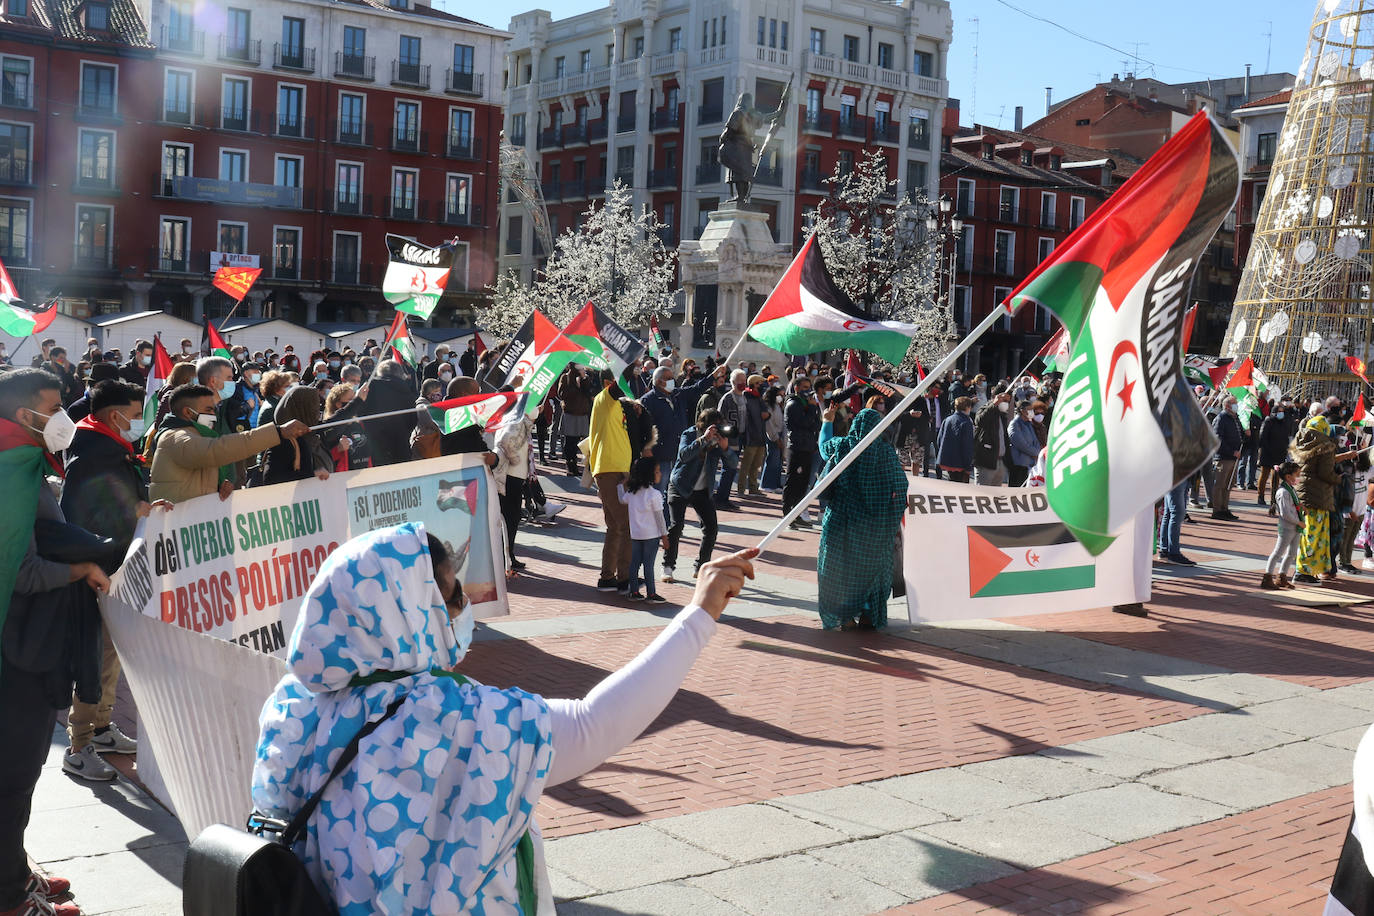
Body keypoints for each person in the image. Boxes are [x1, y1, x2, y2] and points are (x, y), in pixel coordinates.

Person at [251, 523, 755, 914]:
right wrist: (699, 613)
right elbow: (591, 726)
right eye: (448, 596)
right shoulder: (445, 719)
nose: (461, 606)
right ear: (403, 610)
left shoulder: (292, 703)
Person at [0, 368, 112, 916]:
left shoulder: (23, 462)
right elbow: (19, 571)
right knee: (13, 775)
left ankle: (15, 873)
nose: (63, 417)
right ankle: (10, 898)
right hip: (18, 648)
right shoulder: (12, 470)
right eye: (54, 406)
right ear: (26, 416)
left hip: (22, 642)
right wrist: (83, 567)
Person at [60, 381, 167, 783]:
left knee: (109, 652)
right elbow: (84, 513)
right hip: (98, 569)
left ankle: (101, 729)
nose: (139, 421)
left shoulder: (107, 446)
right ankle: (79, 745)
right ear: (113, 415)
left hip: (112, 566)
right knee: (93, 656)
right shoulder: (94, 452)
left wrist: (141, 505)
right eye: (136, 412)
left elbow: (116, 499)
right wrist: (133, 511)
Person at [816, 407, 907, 630]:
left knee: (840, 570)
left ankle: (844, 618)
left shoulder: (843, 447)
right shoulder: (887, 454)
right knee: (872, 571)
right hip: (874, 528)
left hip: (842, 522)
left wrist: (827, 422)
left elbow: (823, 448)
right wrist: (890, 517)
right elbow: (901, 486)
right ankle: (869, 614)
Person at [149, 384, 307, 503]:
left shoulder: (196, 436)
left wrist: (217, 490)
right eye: (209, 410)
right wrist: (277, 432)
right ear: (188, 412)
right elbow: (215, 451)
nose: (214, 415)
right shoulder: (175, 437)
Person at [664, 409, 728, 582]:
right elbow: (684, 456)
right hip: (681, 485)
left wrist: (726, 448)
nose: (718, 430)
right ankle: (668, 566)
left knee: (711, 528)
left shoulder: (718, 440)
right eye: (716, 426)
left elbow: (733, 464)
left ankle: (701, 567)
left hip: (702, 490)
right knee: (676, 527)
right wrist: (703, 439)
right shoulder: (690, 433)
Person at [588, 370, 633, 593]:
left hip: (614, 470)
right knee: (626, 527)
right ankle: (625, 578)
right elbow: (619, 384)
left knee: (615, 527)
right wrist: (628, 361)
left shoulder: (614, 406)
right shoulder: (604, 398)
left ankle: (608, 578)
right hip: (610, 471)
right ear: (608, 383)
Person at [1294, 415, 1342, 584]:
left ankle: (1304, 569)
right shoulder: (1326, 446)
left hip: (1303, 493)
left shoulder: (1301, 440)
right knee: (1314, 536)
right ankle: (1303, 571)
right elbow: (1325, 473)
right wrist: (1338, 478)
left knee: (1306, 534)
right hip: (1318, 495)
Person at [619, 456, 669, 602]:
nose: (660, 474)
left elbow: (621, 499)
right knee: (648, 564)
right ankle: (651, 594)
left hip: (635, 534)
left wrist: (621, 485)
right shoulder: (655, 494)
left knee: (634, 563)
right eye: (657, 471)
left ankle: (634, 592)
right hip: (651, 535)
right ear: (649, 474)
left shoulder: (631, 493)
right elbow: (660, 518)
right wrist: (664, 536)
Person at [260, 386, 332, 485]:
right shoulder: (284, 440)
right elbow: (272, 479)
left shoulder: (314, 435)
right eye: (314, 407)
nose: (317, 413)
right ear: (301, 409)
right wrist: (312, 475)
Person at [494, 408, 534, 572]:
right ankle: (506, 556)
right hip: (511, 476)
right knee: (510, 518)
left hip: (515, 476)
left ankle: (508, 555)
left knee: (512, 518)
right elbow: (505, 441)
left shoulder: (520, 422)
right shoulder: (517, 422)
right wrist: (516, 460)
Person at [783, 376, 821, 528]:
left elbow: (816, 424)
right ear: (797, 388)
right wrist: (812, 408)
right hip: (797, 447)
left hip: (808, 447)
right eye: (804, 387)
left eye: (809, 386)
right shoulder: (793, 404)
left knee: (803, 483)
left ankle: (797, 513)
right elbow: (804, 423)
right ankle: (787, 514)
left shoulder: (809, 404)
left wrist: (813, 409)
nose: (808, 390)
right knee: (793, 481)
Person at [1262, 461, 1302, 590]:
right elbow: (1285, 513)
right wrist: (1299, 522)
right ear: (1288, 476)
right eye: (1297, 474)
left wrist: (1301, 508)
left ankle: (1282, 576)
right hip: (1287, 527)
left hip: (1295, 527)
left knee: (1291, 553)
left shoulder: (1291, 489)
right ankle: (1267, 577)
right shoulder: (1283, 492)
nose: (1298, 477)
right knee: (1278, 552)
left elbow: (1294, 505)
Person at [1211, 397, 1243, 521]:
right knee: (1220, 485)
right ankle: (1217, 509)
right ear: (1228, 405)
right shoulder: (1221, 418)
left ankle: (1224, 508)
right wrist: (1231, 451)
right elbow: (1218, 439)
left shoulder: (1235, 418)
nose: (1237, 405)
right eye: (1235, 403)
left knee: (1228, 485)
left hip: (1233, 458)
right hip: (1223, 457)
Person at [972, 389, 1011, 487]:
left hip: (1000, 462)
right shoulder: (985, 409)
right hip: (986, 461)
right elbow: (980, 421)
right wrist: (994, 404)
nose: (1006, 404)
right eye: (1003, 400)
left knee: (996, 495)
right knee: (982, 494)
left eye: (1007, 401)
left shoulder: (1002, 415)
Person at [1257, 402, 1290, 508]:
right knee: (1264, 475)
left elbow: (1285, 437)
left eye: (1282, 411)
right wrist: (1267, 449)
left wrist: (1285, 449)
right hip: (1268, 453)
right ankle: (1260, 496)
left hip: (1279, 454)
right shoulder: (1268, 421)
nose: (1281, 413)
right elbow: (1263, 437)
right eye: (1279, 411)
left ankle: (1273, 498)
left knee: (1276, 477)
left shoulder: (1284, 423)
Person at [935, 397, 976, 483]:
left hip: (947, 461)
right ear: (967, 407)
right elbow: (967, 446)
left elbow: (939, 440)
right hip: (960, 463)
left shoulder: (947, 419)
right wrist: (968, 466)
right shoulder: (966, 422)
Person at [1007, 400, 1040, 487]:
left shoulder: (1028, 424)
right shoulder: (1014, 424)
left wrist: (1037, 453)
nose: (1031, 412)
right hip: (1018, 464)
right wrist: (1035, 453)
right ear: (1022, 410)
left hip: (1029, 464)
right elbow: (1021, 444)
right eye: (1029, 409)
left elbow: (1035, 441)